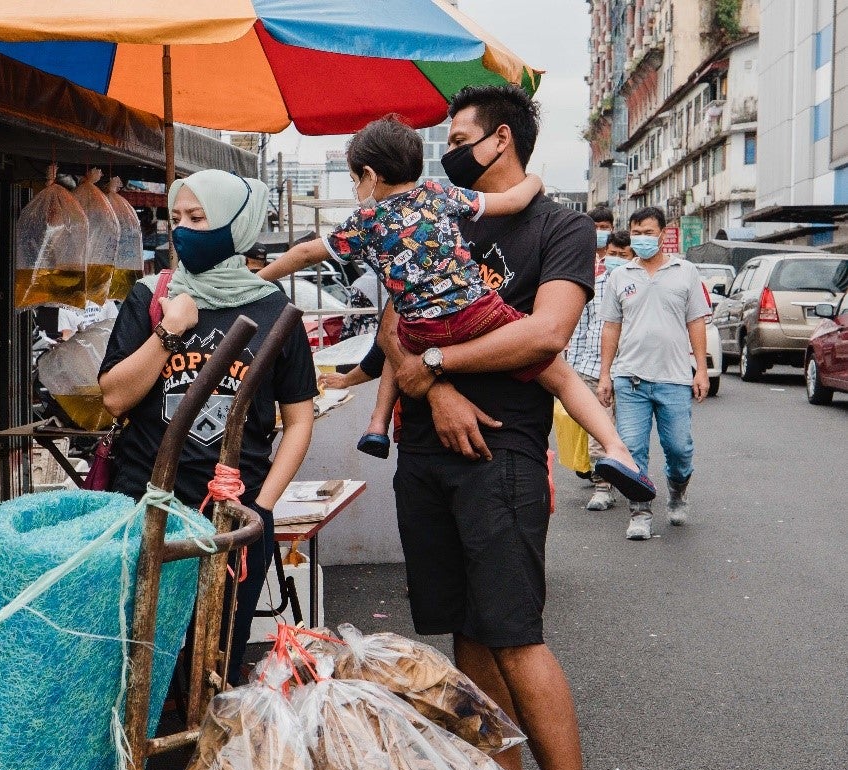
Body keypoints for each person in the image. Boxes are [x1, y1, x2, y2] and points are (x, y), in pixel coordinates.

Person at [369, 84, 610, 770]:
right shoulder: (444, 212)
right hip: (424, 448)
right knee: (463, 630)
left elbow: (545, 334)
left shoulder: (559, 227)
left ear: (499, 140)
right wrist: (425, 385)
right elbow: (394, 314)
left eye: (460, 134)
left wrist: (437, 369)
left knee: (513, 632)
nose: (447, 147)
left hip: (502, 448)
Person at [98, 169, 318, 770]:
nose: (180, 226)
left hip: (228, 529)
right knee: (141, 676)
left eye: (197, 215)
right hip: (146, 515)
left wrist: (262, 499)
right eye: (175, 213)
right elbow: (114, 397)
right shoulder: (152, 298)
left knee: (209, 673)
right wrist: (170, 331)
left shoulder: (275, 312)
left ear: (237, 224)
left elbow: (299, 420)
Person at [260, 118, 653, 503]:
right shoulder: (439, 194)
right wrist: (535, 181)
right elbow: (515, 200)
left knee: (396, 342)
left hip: (420, 331)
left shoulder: (364, 222)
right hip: (477, 315)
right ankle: (616, 449)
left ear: (369, 174)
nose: (357, 188)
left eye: (355, 180)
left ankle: (377, 426)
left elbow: (306, 252)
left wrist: (261, 278)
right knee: (562, 378)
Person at [597, 206, 711, 540]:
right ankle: (640, 512)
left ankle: (677, 491)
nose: (642, 239)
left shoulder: (685, 271)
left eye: (648, 232)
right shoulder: (620, 277)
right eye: (636, 233)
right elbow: (611, 328)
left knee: (679, 449)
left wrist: (701, 370)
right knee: (632, 448)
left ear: (663, 233)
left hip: (674, 378)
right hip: (630, 378)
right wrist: (605, 374)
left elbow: (696, 322)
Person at [567, 230, 634, 510]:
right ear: (603, 253)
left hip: (631, 370)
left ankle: (630, 478)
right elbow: (580, 327)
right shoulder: (592, 285)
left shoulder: (636, 287)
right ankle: (602, 485)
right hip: (592, 368)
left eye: (623, 255)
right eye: (612, 254)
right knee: (599, 430)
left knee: (629, 434)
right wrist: (572, 369)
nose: (615, 259)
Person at [589, 204, 615, 276]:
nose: (598, 231)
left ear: (612, 229)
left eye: (604, 227)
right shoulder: (580, 255)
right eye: (594, 227)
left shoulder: (617, 257)